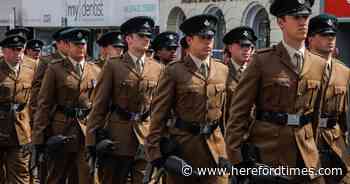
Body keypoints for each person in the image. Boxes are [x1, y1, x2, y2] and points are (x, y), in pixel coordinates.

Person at [225, 0, 327, 183]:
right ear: (281, 22)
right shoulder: (262, 61)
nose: (303, 22)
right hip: (269, 153)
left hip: (306, 155)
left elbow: (316, 115)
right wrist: (237, 160)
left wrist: (314, 148)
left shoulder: (319, 65)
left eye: (305, 16)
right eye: (296, 17)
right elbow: (238, 113)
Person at [145, 14, 228, 184]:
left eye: (211, 37)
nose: (208, 42)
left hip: (216, 148)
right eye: (203, 38)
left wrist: (231, 150)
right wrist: (155, 153)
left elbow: (227, 115)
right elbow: (159, 114)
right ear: (189, 40)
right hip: (184, 148)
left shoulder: (222, 70)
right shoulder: (174, 71)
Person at [86, 16, 162, 184]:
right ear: (128, 39)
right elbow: (99, 105)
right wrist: (91, 141)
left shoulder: (156, 68)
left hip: (145, 136)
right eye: (141, 35)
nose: (146, 39)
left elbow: (160, 108)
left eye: (148, 36)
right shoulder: (113, 66)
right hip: (117, 138)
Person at [32, 28, 100, 184]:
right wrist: (39, 138)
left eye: (83, 44)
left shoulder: (95, 70)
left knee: (87, 177)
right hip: (61, 130)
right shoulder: (55, 69)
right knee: (57, 176)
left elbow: (99, 104)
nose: (81, 48)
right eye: (76, 44)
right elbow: (44, 104)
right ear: (68, 46)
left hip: (85, 131)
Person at [308, 13, 350, 184]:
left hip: (334, 142)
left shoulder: (343, 71)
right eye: (324, 35)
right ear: (310, 38)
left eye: (332, 35)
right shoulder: (299, 67)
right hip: (306, 139)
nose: (330, 39)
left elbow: (345, 113)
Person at [0, 34, 35, 184]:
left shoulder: (31, 69)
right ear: (4, 51)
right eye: (13, 50)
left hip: (20, 130)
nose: (18, 54)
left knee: (21, 173)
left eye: (20, 50)